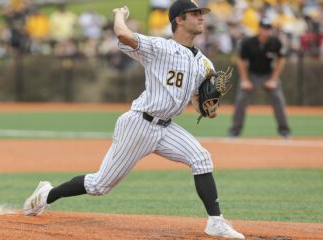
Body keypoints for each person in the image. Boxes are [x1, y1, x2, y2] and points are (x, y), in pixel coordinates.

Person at [23, 1, 244, 239]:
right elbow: (122, 34)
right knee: (99, 185)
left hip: (167, 127)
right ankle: (46, 195)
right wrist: (120, 15)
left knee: (201, 158)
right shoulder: (159, 47)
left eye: (201, 13)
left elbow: (196, 101)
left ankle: (215, 222)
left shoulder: (205, 63)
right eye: (195, 14)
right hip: (139, 124)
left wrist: (207, 108)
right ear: (178, 20)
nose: (201, 17)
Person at [228, 18, 291, 138]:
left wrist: (273, 79)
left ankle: (284, 130)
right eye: (264, 28)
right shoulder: (248, 43)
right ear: (259, 29)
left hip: (268, 74)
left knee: (278, 98)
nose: (266, 31)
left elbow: (282, 59)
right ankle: (234, 131)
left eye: (268, 29)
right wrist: (245, 80)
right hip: (251, 74)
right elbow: (240, 60)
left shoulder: (275, 42)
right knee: (241, 99)